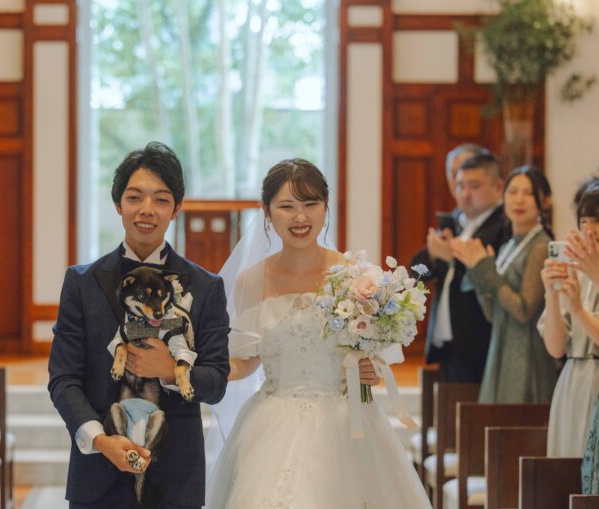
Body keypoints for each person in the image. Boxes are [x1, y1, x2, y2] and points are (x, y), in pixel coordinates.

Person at [206, 159, 431, 508]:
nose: (300, 217)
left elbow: (371, 353)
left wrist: (370, 369)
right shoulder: (250, 280)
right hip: (271, 422)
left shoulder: (354, 276)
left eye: (310, 204)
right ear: (267, 212)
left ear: (326, 206)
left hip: (344, 425)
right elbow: (246, 358)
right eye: (286, 206)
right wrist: (204, 370)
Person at [48, 141, 230, 509]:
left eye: (161, 199)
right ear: (118, 204)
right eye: (135, 197)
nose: (147, 209)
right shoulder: (81, 283)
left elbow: (216, 382)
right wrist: (100, 440)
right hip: (97, 475)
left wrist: (169, 370)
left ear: (176, 208)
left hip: (175, 478)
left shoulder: (206, 286)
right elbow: (63, 378)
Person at [453, 166, 557, 403]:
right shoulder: (509, 245)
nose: (519, 200)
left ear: (545, 201)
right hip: (502, 345)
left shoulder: (540, 246)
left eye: (528, 193)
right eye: (513, 192)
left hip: (527, 353)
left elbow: (523, 311)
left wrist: (488, 273)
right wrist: (478, 271)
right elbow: (493, 313)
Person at [413, 149, 508, 382]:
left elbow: (493, 280)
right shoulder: (455, 221)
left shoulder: (505, 226)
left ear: (498, 186)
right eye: (460, 185)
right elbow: (414, 271)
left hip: (481, 343)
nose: (465, 193)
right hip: (448, 343)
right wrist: (433, 254)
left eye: (474, 186)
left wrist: (451, 257)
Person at [540, 183, 599, 458]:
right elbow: (555, 348)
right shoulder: (575, 268)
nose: (590, 229)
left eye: (597, 220)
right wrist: (551, 295)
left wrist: (578, 310)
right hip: (573, 380)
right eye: (584, 221)